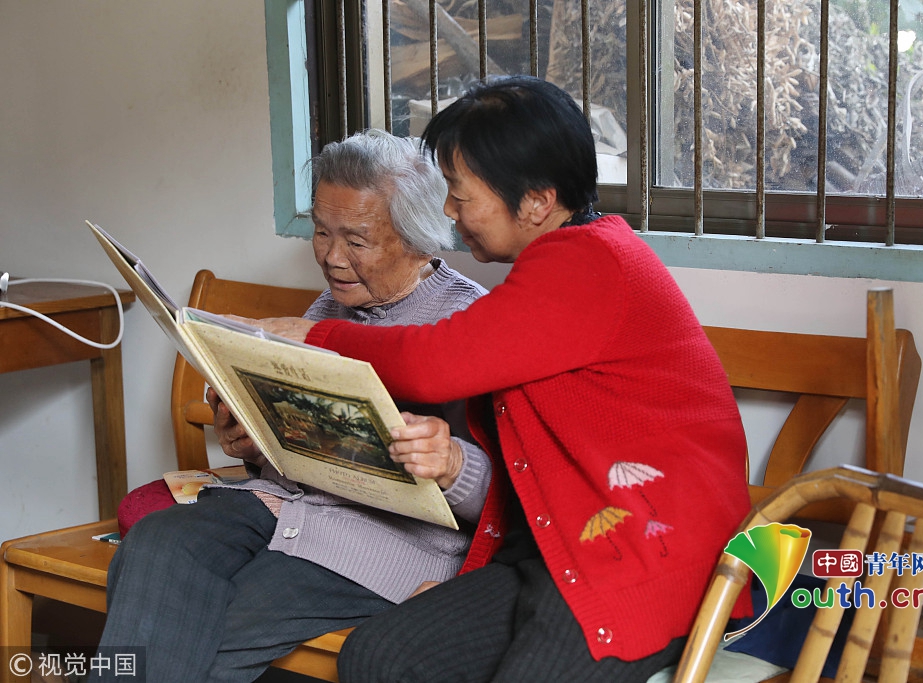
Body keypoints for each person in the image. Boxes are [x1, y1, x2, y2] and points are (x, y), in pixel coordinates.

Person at [244, 77, 753, 682]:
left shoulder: (589, 264)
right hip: (556, 548)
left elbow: (434, 363)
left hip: (643, 554)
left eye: (460, 194)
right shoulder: (561, 264)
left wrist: (314, 336)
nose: (449, 212)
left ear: (535, 201)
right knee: (381, 656)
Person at [91, 129, 491, 683]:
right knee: (156, 544)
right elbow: (299, 438)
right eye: (321, 232)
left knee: (206, 634)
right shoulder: (328, 305)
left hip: (382, 542)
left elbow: (507, 494)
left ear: (419, 241)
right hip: (283, 507)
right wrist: (251, 440)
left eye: (356, 240)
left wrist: (449, 465)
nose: (331, 257)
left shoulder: (470, 325)